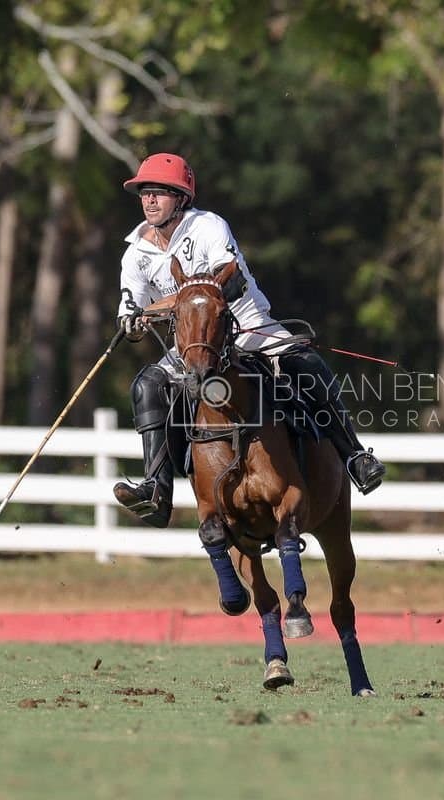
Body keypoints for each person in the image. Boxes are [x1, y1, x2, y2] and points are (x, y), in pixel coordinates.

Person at [111, 152, 386, 527]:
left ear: (182, 198)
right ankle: (157, 490)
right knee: (146, 385)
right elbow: (131, 306)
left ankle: (354, 455)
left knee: (305, 363)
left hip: (247, 326)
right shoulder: (135, 254)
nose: (150, 200)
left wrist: (150, 312)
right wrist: (131, 322)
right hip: (192, 345)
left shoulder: (208, 227)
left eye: (160, 192)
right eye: (145, 193)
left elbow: (217, 287)